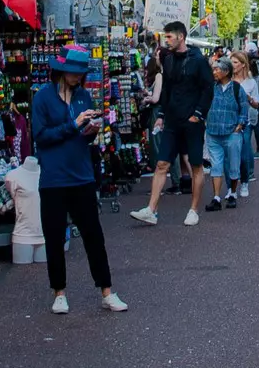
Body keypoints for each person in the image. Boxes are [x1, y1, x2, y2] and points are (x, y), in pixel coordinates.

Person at [28, 47, 127, 314]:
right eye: (74, 73)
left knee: (94, 235)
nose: (77, 78)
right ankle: (59, 292)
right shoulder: (42, 98)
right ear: (61, 70)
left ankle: (107, 290)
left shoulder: (84, 96)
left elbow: (82, 136)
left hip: (81, 175)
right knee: (54, 237)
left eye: (80, 73)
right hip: (54, 178)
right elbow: (41, 136)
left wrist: (90, 131)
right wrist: (74, 124)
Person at [130, 22, 213, 228]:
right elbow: (167, 88)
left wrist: (198, 114)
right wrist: (162, 114)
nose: (166, 41)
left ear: (181, 37)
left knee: (195, 165)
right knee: (161, 164)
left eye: (169, 37)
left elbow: (207, 89)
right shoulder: (167, 60)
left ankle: (193, 210)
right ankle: (151, 210)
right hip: (172, 120)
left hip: (192, 121)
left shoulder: (199, 60)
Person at [202, 56, 248, 211]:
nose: (214, 72)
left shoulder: (236, 88)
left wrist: (240, 124)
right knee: (216, 166)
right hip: (213, 132)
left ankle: (232, 193)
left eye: (217, 69)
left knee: (234, 165)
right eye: (213, 69)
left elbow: (244, 107)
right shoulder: (210, 87)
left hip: (231, 133)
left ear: (226, 71)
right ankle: (216, 197)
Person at [231, 51, 259, 196]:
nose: (232, 65)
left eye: (235, 62)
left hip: (245, 122)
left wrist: (249, 98)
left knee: (244, 153)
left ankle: (245, 180)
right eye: (231, 62)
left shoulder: (251, 82)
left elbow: (257, 104)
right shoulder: (226, 80)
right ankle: (232, 187)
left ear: (243, 65)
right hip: (228, 122)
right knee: (229, 155)